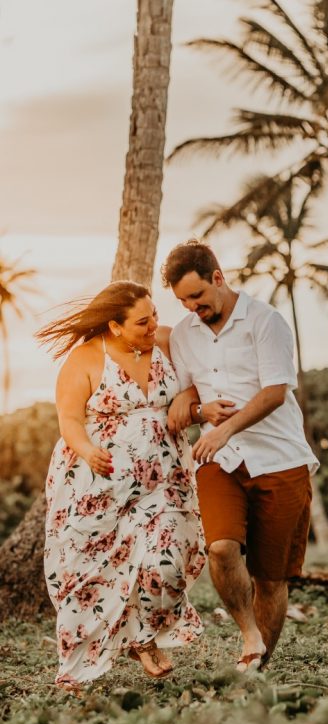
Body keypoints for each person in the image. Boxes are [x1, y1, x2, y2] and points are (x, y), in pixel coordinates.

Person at [36, 281, 206, 690]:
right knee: (89, 575)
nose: (154, 326)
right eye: (143, 321)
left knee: (169, 563)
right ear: (114, 326)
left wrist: (190, 396)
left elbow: (209, 372)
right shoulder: (85, 359)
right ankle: (76, 667)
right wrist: (88, 450)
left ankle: (143, 635)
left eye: (155, 316)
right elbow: (70, 420)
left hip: (165, 480)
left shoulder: (166, 343)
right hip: (97, 485)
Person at [162, 240, 318, 672]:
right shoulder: (184, 334)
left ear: (218, 277)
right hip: (220, 459)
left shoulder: (266, 322)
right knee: (221, 548)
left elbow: (275, 391)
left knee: (271, 577)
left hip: (279, 459)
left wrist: (225, 426)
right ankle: (247, 631)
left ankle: (256, 667)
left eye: (197, 296)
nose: (193, 307)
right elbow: (188, 385)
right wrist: (193, 407)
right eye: (182, 301)